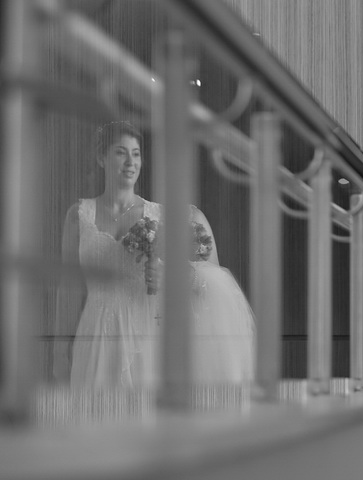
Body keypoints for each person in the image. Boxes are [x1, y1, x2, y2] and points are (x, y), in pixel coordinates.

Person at [56, 121, 255, 392]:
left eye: (136, 153)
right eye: (120, 152)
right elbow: (69, 289)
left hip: (147, 340)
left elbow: (213, 287)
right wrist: (59, 352)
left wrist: (174, 275)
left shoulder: (169, 217)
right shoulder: (77, 216)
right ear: (101, 158)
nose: (130, 162)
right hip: (94, 336)